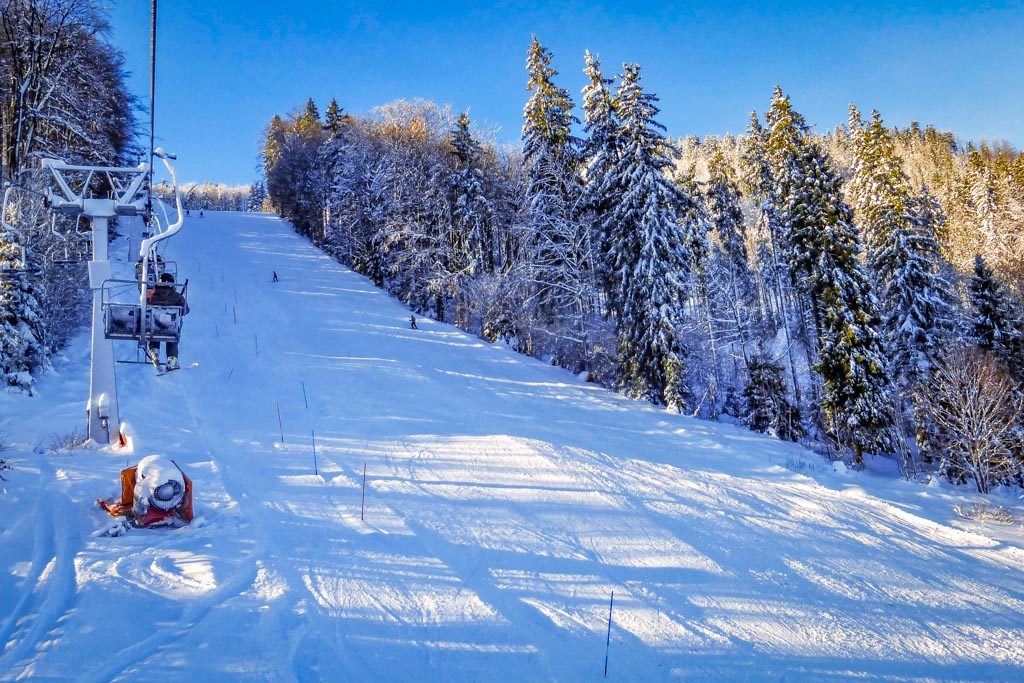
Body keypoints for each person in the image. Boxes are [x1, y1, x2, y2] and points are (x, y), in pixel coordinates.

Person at [146, 272, 189, 369]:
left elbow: (145, 306)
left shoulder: (151, 294)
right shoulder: (177, 296)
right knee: (173, 336)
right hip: (170, 327)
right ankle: (172, 359)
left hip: (154, 326)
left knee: (152, 330)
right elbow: (186, 310)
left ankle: (154, 351)